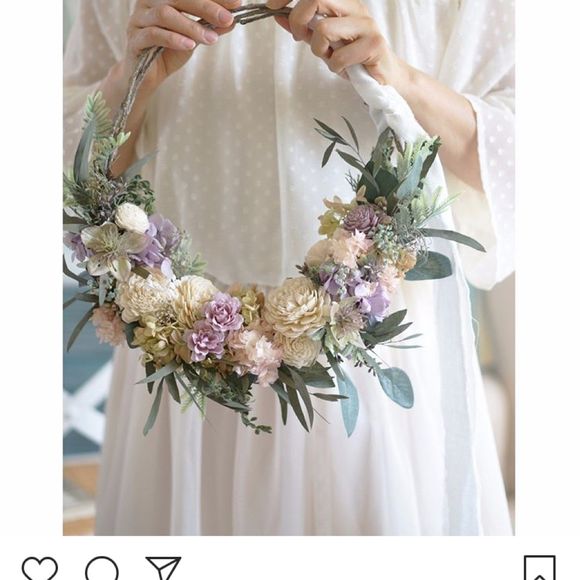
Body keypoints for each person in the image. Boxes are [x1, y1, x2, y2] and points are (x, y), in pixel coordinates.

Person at [64, 0, 514, 535]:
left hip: (373, 358)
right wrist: (132, 80)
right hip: (181, 370)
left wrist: (398, 77)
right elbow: (71, 179)